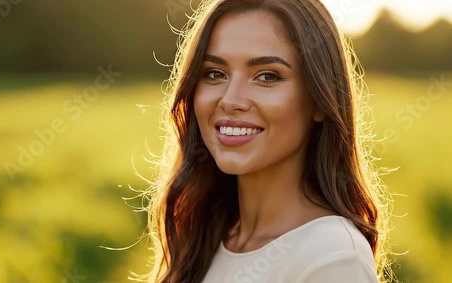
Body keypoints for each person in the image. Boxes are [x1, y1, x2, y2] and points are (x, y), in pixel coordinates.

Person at [143, 0, 393, 282]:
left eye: (267, 76)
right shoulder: (203, 238)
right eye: (215, 73)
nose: (231, 100)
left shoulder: (331, 257)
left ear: (319, 101)